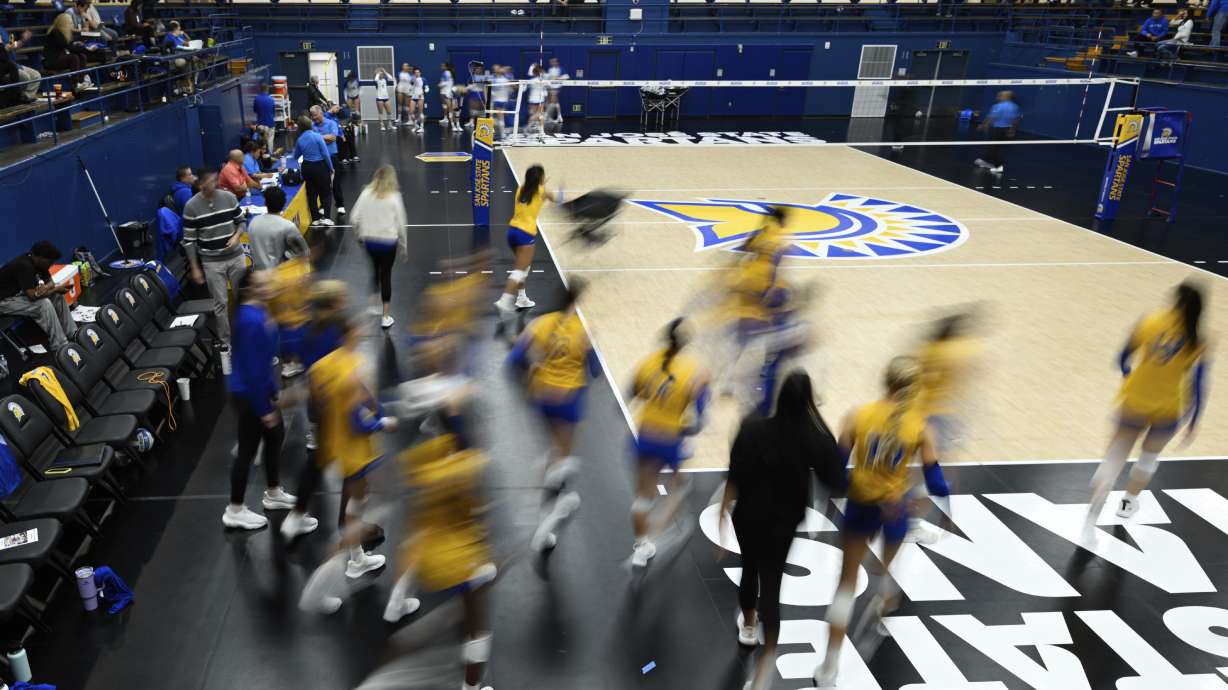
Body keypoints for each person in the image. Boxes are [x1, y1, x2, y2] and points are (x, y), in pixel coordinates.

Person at [811, 356, 950, 687]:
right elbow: (938, 484)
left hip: (860, 508)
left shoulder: (857, 416)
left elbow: (835, 470)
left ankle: (829, 668)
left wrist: (851, 491)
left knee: (845, 586)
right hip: (895, 509)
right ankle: (883, 613)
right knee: (889, 569)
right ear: (913, 389)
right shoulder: (920, 426)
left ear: (884, 381)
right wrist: (922, 498)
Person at [717, 372, 843, 690]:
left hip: (747, 515)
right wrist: (820, 422)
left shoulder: (752, 427)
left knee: (749, 568)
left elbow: (734, 474)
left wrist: (722, 513)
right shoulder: (814, 438)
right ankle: (764, 669)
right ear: (808, 402)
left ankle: (748, 626)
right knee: (772, 586)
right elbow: (837, 480)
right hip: (783, 523)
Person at [385, 400, 497, 690]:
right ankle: (471, 686)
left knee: (454, 608)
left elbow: (412, 508)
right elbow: (477, 517)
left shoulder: (421, 459)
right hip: (460, 561)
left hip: (424, 551)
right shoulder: (471, 467)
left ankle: (396, 604)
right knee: (476, 629)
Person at [1083, 282, 1209, 536]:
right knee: (1149, 457)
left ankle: (1095, 507)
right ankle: (1129, 502)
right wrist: (1194, 419)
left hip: (1135, 402)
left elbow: (1122, 357)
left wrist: (1128, 373)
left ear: (1175, 299)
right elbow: (1197, 384)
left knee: (1115, 455)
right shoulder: (1200, 338)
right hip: (1170, 408)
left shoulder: (1150, 322)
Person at [507, 281, 598, 552]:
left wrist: (532, 373)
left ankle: (540, 500)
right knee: (564, 460)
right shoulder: (582, 330)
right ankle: (545, 520)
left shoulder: (540, 324)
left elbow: (514, 361)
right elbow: (594, 370)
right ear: (576, 302)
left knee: (553, 453)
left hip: (542, 397)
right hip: (569, 401)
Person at [308, 314, 396, 583]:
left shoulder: (326, 364)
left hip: (337, 442)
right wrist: (383, 422)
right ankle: (351, 559)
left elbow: (315, 403)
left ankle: (353, 552)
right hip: (354, 448)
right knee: (358, 502)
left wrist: (375, 407)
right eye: (358, 328)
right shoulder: (352, 367)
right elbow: (357, 421)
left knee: (359, 497)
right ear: (348, 335)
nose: (362, 331)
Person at [222, 268, 307, 530]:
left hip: (260, 388)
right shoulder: (250, 320)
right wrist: (264, 408)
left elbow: (265, 361)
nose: (271, 284)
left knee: (275, 437)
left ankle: (273, 492)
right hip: (248, 394)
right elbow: (252, 369)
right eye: (264, 282)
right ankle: (234, 510)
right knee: (247, 452)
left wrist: (273, 391)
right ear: (250, 290)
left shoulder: (261, 314)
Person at [627, 318, 710, 567]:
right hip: (670, 440)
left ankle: (642, 545)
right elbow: (698, 420)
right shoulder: (693, 372)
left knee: (643, 496)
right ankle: (666, 527)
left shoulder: (648, 363)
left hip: (645, 435)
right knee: (680, 487)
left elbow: (634, 393)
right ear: (685, 345)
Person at [182, 166, 246, 347]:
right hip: (211, 262)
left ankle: (245, 336)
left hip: (236, 256)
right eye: (210, 181)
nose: (214, 183)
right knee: (220, 304)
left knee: (242, 297)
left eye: (215, 180)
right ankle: (227, 343)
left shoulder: (229, 197)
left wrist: (236, 236)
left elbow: (241, 221)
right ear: (201, 183)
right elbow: (189, 241)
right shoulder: (191, 207)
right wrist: (195, 267)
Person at [493, 164, 559, 322]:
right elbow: (555, 199)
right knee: (519, 271)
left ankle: (521, 298)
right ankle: (504, 300)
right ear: (540, 178)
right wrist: (546, 188)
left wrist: (541, 185)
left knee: (524, 267)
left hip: (512, 232)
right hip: (526, 235)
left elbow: (535, 191)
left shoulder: (520, 189)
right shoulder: (542, 192)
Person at [350, 164, 408, 330]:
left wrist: (359, 236)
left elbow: (354, 218)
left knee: (374, 269)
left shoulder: (365, 193)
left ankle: (372, 305)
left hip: (370, 242)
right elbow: (401, 224)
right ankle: (386, 316)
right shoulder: (395, 197)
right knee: (386, 275)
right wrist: (404, 246)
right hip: (389, 243)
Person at [0, 241, 77, 349]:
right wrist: (53, 290)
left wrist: (46, 288)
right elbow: (32, 296)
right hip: (3, 301)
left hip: (16, 295)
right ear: (40, 258)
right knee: (43, 304)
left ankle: (72, 333)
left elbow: (51, 282)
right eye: (50, 262)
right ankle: (60, 345)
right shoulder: (24, 265)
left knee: (57, 296)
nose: (51, 264)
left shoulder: (39, 263)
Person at [247, 187, 308, 271]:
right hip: (279, 277)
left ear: (265, 203)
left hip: (258, 276)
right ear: (283, 204)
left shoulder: (253, 222)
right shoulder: (288, 226)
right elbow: (304, 252)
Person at [293, 114, 334, 225]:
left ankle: (315, 219)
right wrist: (331, 168)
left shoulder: (300, 140)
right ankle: (327, 218)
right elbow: (325, 154)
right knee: (326, 193)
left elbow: (296, 156)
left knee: (311, 194)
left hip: (307, 167)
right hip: (320, 166)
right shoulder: (317, 136)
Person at [309, 105, 345, 216]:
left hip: (332, 156)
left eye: (315, 115)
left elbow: (333, 138)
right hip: (319, 158)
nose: (314, 118)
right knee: (322, 183)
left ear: (321, 113)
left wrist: (318, 137)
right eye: (312, 116)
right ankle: (323, 206)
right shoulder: (312, 125)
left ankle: (340, 205)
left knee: (335, 182)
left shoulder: (331, 123)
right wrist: (324, 138)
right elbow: (314, 140)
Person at [973, 90, 1019, 175]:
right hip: (1007, 129)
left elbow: (991, 118)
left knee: (994, 148)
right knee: (998, 148)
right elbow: (1015, 119)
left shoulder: (998, 106)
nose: (997, 97)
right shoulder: (1015, 106)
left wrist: (983, 126)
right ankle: (986, 161)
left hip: (997, 130)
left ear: (1006, 97)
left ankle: (998, 167)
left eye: (1000, 96)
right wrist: (1012, 130)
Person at [2, 28, 40, 104]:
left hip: (13, 64)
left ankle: (25, 97)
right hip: (3, 67)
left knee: (36, 75)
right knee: (25, 77)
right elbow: (5, 49)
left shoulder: (2, 29)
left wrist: (22, 41)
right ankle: (15, 99)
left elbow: (11, 45)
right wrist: (22, 40)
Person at [545, 57, 569, 125]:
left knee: (554, 100)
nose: (551, 63)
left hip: (557, 87)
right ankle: (551, 116)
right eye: (551, 61)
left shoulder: (561, 68)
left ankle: (558, 116)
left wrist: (557, 78)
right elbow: (548, 77)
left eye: (553, 61)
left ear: (557, 62)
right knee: (549, 101)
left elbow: (567, 76)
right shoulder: (549, 69)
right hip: (550, 87)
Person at [253, 83, 277, 148]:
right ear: (267, 89)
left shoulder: (256, 99)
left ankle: (261, 155)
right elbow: (273, 112)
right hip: (270, 124)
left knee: (261, 142)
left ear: (260, 90)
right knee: (270, 141)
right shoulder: (271, 99)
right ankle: (270, 155)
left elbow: (255, 110)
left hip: (260, 125)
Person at [526, 64, 548, 133]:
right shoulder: (543, 80)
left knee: (534, 114)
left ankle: (530, 128)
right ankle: (540, 130)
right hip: (540, 99)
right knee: (540, 114)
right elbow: (546, 89)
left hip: (533, 99)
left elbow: (525, 89)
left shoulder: (531, 81)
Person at [439, 62, 459, 132]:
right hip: (447, 92)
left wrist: (440, 84)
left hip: (448, 93)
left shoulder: (446, 73)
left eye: (443, 65)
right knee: (449, 108)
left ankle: (454, 125)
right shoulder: (448, 73)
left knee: (452, 110)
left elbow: (446, 82)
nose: (441, 66)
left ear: (446, 67)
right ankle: (453, 124)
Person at [373, 67, 393, 131]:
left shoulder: (385, 79)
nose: (381, 75)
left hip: (386, 97)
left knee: (389, 112)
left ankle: (390, 125)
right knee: (381, 112)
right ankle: (382, 125)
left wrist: (385, 71)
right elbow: (376, 79)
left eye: (382, 74)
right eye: (380, 74)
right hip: (379, 98)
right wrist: (378, 73)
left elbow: (391, 78)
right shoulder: (376, 80)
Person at [408, 66, 425, 134]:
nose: (417, 73)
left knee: (420, 112)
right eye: (415, 72)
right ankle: (416, 126)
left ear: (420, 73)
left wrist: (423, 92)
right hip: (414, 97)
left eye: (418, 72)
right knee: (411, 112)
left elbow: (427, 88)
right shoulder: (413, 79)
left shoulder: (423, 79)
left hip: (420, 97)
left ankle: (422, 127)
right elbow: (411, 85)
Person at [395, 62, 412, 127]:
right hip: (400, 88)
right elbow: (396, 81)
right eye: (404, 66)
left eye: (406, 66)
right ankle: (399, 118)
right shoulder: (399, 73)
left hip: (408, 89)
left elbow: (413, 81)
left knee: (407, 106)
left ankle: (409, 119)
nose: (405, 67)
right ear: (402, 67)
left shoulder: (410, 73)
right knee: (400, 104)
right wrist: (395, 87)